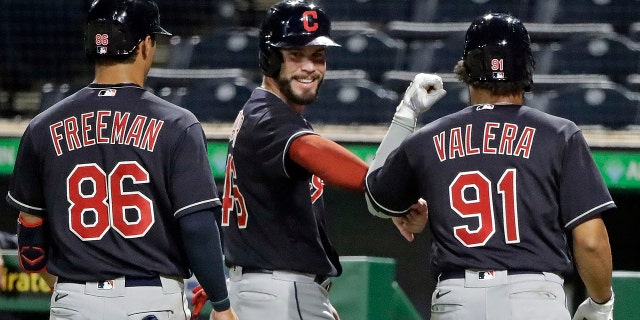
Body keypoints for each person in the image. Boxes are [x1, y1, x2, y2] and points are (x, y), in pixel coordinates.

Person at [364, 13, 616, 320]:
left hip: (457, 300)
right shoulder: (560, 134)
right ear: (526, 69)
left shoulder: (427, 139)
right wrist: (600, 304)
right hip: (533, 298)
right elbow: (590, 242)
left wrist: (406, 112)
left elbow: (376, 199)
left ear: (467, 70)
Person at [190, 1, 429, 319]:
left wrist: (389, 203)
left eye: (317, 56)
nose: (309, 67)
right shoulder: (272, 120)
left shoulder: (260, 110)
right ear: (270, 57)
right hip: (282, 294)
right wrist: (406, 116)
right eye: (295, 55)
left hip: (264, 289)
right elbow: (374, 183)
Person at [4, 0, 237, 319]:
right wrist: (221, 304)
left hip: (73, 298)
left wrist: (66, 288)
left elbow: (30, 232)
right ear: (144, 45)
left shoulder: (42, 126)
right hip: (147, 300)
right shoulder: (177, 124)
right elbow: (197, 227)